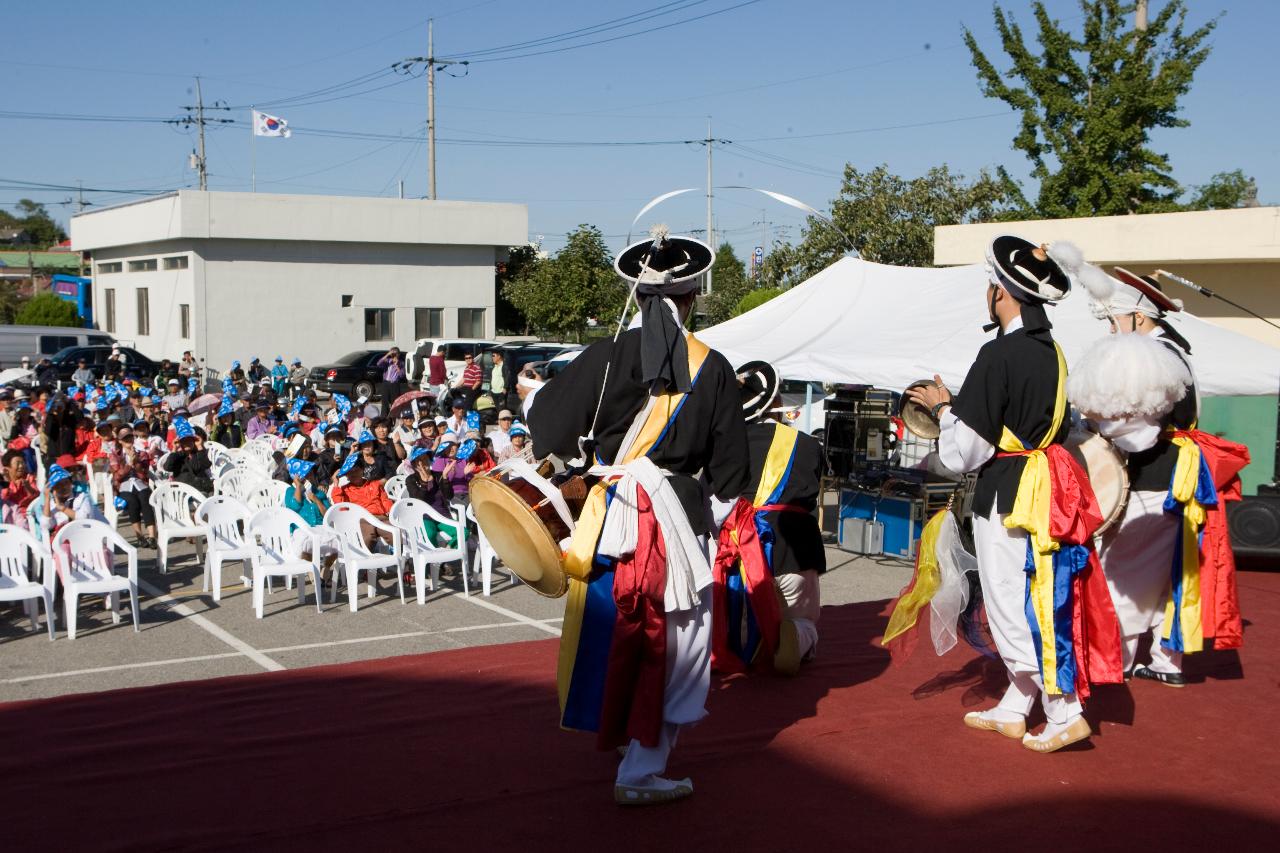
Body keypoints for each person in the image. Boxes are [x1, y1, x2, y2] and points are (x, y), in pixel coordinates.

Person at [525, 228, 748, 805]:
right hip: (674, 519)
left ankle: (627, 742)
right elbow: (728, 475)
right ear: (692, 296)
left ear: (639, 295)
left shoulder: (600, 357)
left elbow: (547, 427)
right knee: (680, 643)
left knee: (613, 629)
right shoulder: (713, 367)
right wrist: (712, 523)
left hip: (604, 517)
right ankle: (644, 767)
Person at [906, 235, 1121, 754]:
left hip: (1009, 493)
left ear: (1001, 292)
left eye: (990, 285)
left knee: (1009, 602)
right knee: (1028, 596)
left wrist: (942, 410)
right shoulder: (1052, 352)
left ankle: (1064, 711)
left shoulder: (999, 353)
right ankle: (1014, 707)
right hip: (1042, 485)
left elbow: (965, 455)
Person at [1070, 266, 1248, 687]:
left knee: (1126, 569)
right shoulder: (1170, 350)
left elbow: (1136, 433)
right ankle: (1166, 662)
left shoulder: (1152, 355)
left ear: (1136, 316)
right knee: (1168, 569)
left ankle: (1120, 658)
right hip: (1175, 472)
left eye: (1114, 318)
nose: (1110, 327)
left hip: (1158, 473)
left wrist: (1093, 427)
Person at [713, 361, 825, 677]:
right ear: (774, 402)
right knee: (802, 616)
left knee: (739, 615)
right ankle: (798, 637)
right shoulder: (807, 445)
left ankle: (748, 642)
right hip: (794, 546)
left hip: (739, 546)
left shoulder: (723, 446)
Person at [110, 428, 157, 549]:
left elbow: (144, 473)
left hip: (140, 482)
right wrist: (129, 464)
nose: (129, 440)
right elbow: (117, 476)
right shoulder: (115, 455)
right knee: (131, 501)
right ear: (120, 441)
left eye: (130, 437)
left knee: (145, 497)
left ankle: (152, 536)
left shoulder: (141, 453)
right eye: (125, 439)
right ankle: (140, 536)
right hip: (124, 485)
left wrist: (136, 463)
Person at [404, 447, 457, 547]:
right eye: (420, 460)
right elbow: (417, 500)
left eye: (426, 458)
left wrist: (445, 478)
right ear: (415, 464)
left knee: (463, 532)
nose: (424, 462)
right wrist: (424, 483)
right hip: (424, 517)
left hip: (442, 515)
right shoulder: (411, 479)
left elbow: (449, 496)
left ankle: (446, 553)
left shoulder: (438, 475)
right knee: (429, 534)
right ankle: (433, 559)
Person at [38, 463, 106, 540]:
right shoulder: (51, 504)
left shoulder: (82, 497)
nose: (64, 487)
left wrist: (63, 508)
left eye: (66, 483)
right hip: (65, 541)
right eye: (59, 485)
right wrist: (47, 499)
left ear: (71, 484)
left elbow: (85, 518)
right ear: (53, 489)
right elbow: (45, 526)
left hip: (90, 537)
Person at [163, 418, 213, 494]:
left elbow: (205, 465)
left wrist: (199, 446)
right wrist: (174, 449)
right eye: (184, 440)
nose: (187, 442)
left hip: (203, 488)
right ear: (179, 442)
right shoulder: (177, 456)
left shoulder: (198, 453)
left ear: (194, 440)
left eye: (189, 440)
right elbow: (167, 467)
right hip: (185, 492)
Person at [1, 450, 39, 528]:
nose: (21, 466)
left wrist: (28, 487)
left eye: (22, 462)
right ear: (8, 468)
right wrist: (7, 479)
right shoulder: (4, 485)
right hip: (12, 520)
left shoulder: (29, 479)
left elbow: (37, 498)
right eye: (17, 463)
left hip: (31, 516)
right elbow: (4, 501)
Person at [376, 347, 406, 417]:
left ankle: (394, 417)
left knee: (395, 402)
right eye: (392, 353)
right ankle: (383, 417)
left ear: (398, 354)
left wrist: (398, 367)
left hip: (394, 384)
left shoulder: (401, 363)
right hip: (386, 383)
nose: (393, 355)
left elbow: (402, 375)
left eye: (395, 353)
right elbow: (378, 363)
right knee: (384, 401)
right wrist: (387, 354)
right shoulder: (388, 361)